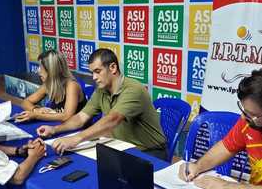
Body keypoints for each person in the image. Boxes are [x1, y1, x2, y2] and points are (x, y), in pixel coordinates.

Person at [36, 48, 167, 160]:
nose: (94, 77)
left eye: (98, 71)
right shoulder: (101, 90)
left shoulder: (134, 89)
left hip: (150, 153)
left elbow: (112, 120)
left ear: (113, 68)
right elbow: (81, 117)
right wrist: (54, 129)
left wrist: (76, 138)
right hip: (123, 147)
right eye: (92, 72)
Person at [16, 50, 87, 122]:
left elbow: (67, 116)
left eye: (40, 67)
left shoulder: (72, 86)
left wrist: (37, 115)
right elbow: (25, 102)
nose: (38, 71)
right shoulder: (48, 85)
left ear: (51, 70)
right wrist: (35, 110)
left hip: (77, 129)